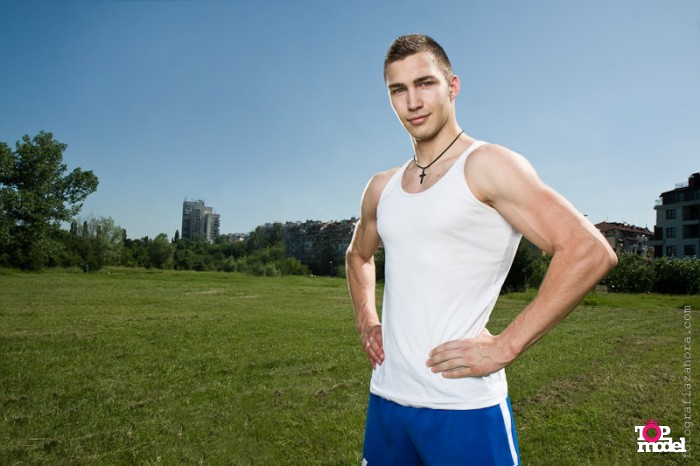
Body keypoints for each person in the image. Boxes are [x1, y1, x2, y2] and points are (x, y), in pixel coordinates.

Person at [345, 34, 617, 466]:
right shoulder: (382, 187)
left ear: (452, 86)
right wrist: (367, 321)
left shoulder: (487, 165)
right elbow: (358, 255)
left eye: (425, 83)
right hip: (387, 398)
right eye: (398, 90)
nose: (413, 101)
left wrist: (505, 346)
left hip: (463, 407)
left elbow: (588, 250)